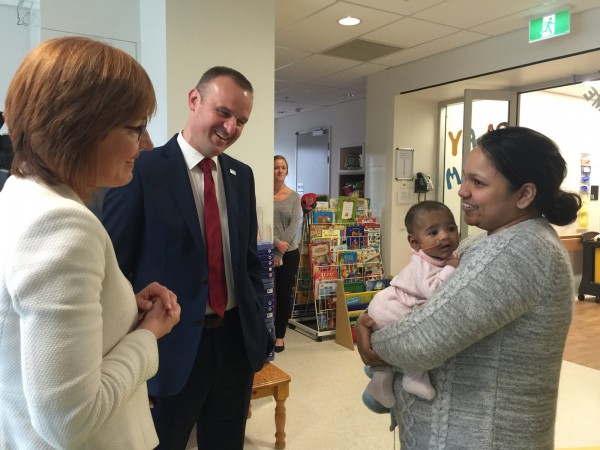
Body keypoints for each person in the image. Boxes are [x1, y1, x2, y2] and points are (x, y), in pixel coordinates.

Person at [0, 37, 181, 449]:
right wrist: (149, 334)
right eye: (135, 128)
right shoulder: (62, 224)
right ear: (79, 125)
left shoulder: (18, 192)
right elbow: (70, 420)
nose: (146, 145)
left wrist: (117, 311)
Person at [356, 126, 581, 449]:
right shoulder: (487, 243)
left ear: (524, 195)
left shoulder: (515, 253)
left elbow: (421, 342)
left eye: (478, 183)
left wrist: (371, 338)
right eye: (465, 179)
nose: (462, 191)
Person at [101, 66, 273, 450]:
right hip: (171, 346)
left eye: (241, 120)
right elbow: (112, 271)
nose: (231, 128)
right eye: (224, 113)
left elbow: (248, 264)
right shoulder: (140, 171)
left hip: (234, 344)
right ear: (194, 100)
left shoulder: (240, 176)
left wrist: (258, 330)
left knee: (227, 441)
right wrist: (128, 351)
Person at [363, 201, 459, 410]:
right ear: (415, 243)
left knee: (398, 348)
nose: (444, 236)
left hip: (389, 306)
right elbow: (434, 293)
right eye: (433, 233)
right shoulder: (421, 263)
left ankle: (380, 382)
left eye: (451, 229)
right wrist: (451, 268)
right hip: (390, 307)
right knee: (421, 339)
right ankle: (414, 376)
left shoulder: (438, 258)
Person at [273, 154, 302, 352]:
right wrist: (275, 244)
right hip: (268, 249)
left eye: (283, 167)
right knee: (263, 294)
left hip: (289, 253)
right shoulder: (263, 194)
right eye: (276, 167)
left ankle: (279, 336)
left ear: (287, 171)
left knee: (283, 295)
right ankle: (263, 331)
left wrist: (281, 252)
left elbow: (294, 225)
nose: (280, 170)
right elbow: (261, 221)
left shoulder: (294, 197)